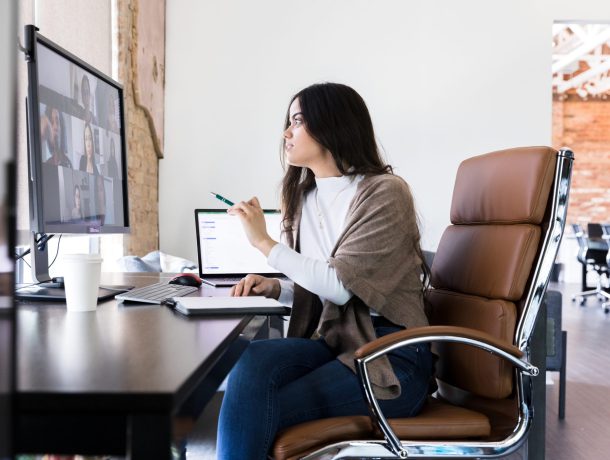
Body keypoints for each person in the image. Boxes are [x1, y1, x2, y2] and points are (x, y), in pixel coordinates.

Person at [216, 83, 433, 459]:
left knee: (258, 411)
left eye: (297, 121)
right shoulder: (305, 197)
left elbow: (340, 288)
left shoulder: (384, 192)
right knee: (252, 361)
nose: (286, 133)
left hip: (390, 356)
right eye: (288, 121)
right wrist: (275, 288)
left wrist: (264, 244)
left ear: (332, 124)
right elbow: (319, 284)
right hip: (334, 345)